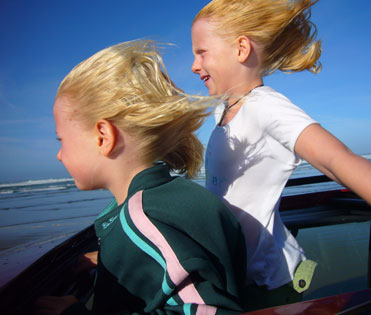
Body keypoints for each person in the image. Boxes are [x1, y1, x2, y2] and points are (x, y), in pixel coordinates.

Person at [191, 0, 371, 310]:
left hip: (268, 284)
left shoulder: (264, 105)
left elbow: (337, 160)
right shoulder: (223, 111)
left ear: (241, 48)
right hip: (236, 278)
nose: (194, 65)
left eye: (201, 52)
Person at [34, 39, 249, 315]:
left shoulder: (146, 221)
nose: (59, 155)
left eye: (61, 140)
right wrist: (114, 260)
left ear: (103, 137)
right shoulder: (167, 201)